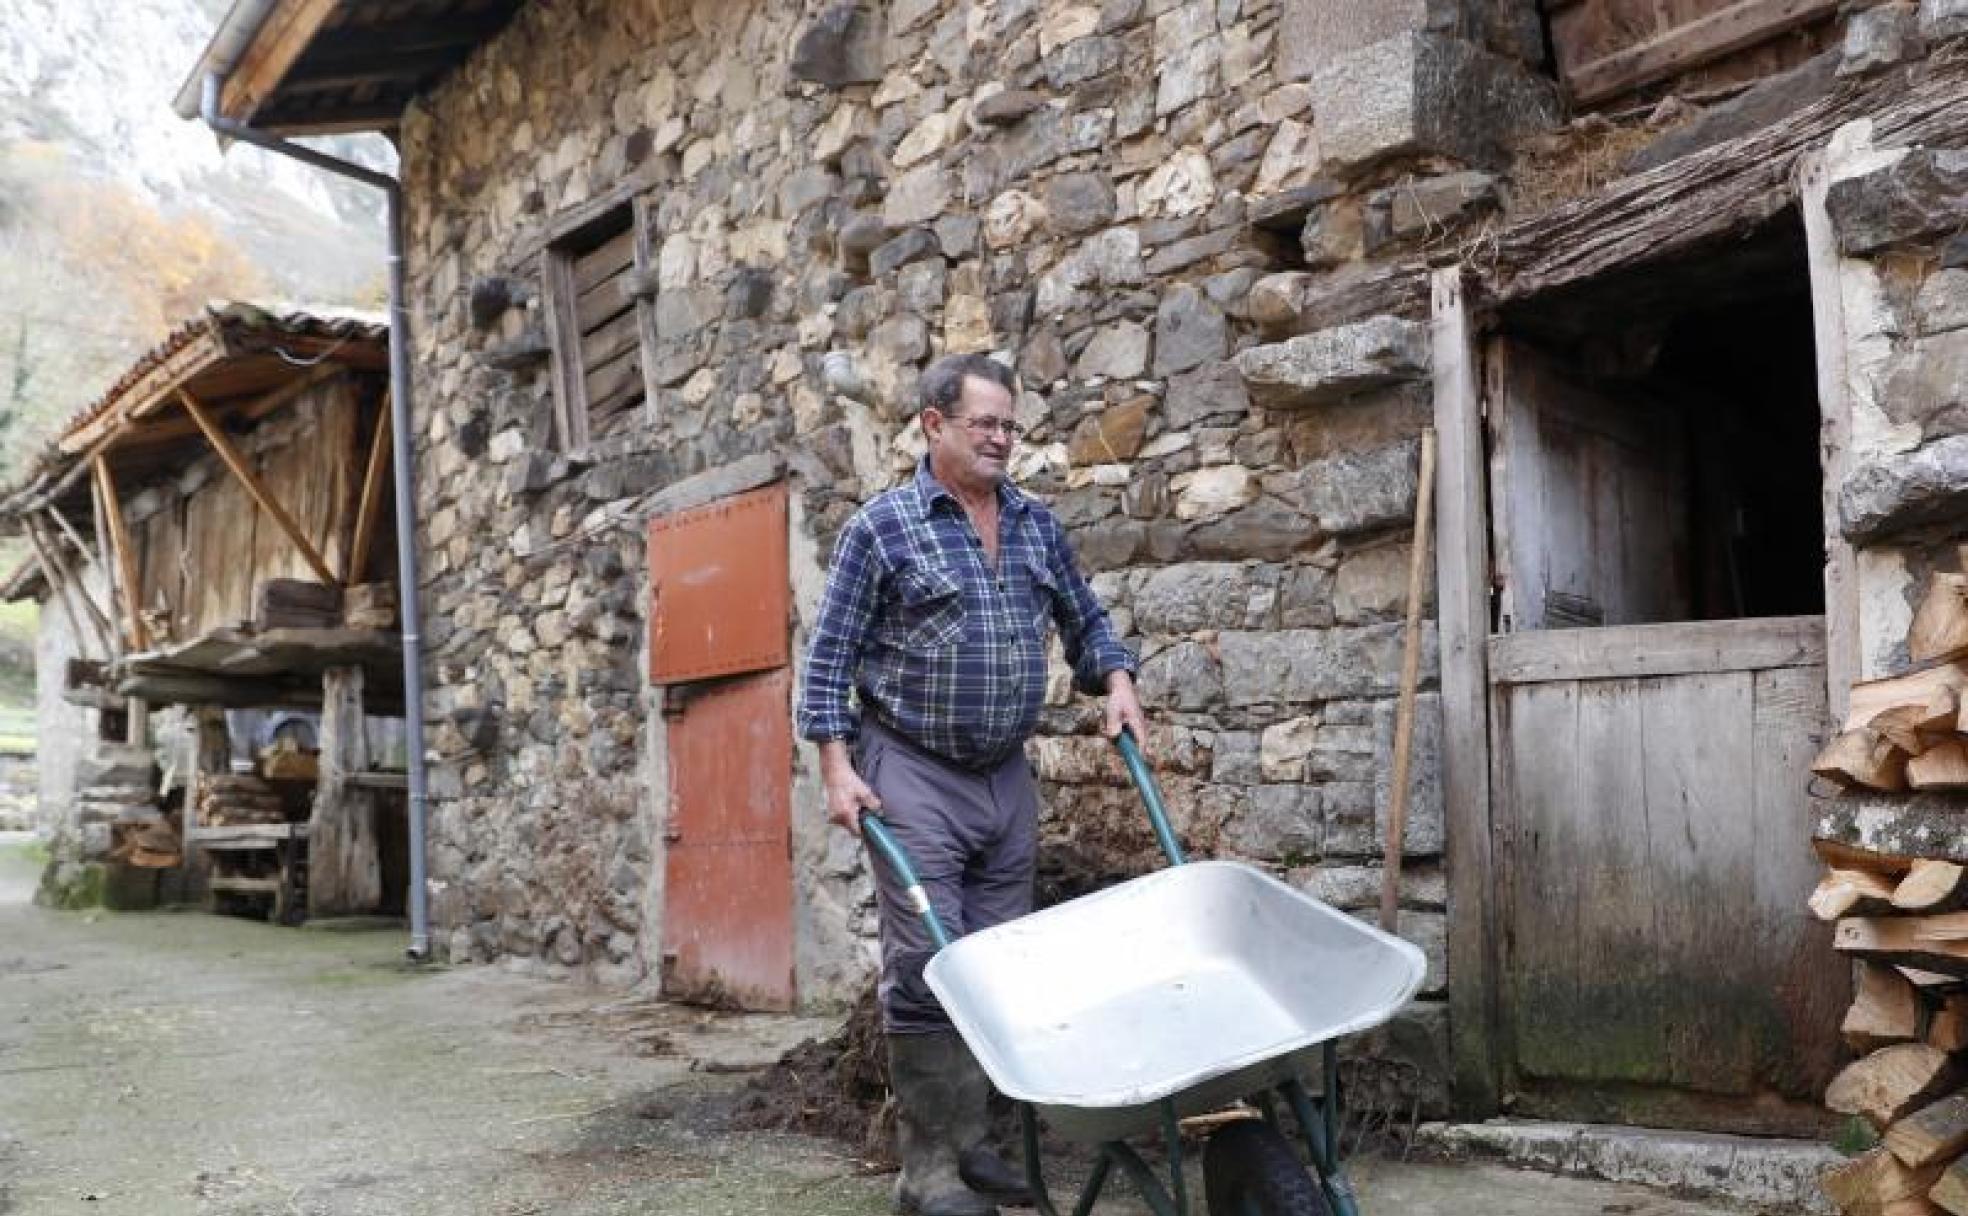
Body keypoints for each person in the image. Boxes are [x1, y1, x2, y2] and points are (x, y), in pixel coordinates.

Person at [798, 353, 1145, 1216]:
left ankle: (974, 1145)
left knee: (998, 966)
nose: (1000, 438)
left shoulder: (1033, 524)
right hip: (911, 769)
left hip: (1004, 775)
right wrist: (837, 768)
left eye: (1008, 425)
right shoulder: (882, 528)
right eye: (983, 423)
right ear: (934, 425)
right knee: (929, 963)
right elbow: (828, 661)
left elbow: (1085, 617)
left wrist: (1117, 681)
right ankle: (928, 1173)